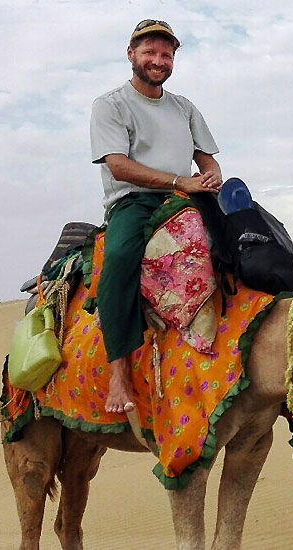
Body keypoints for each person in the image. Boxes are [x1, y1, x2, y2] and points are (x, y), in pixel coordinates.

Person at [90, 20, 222, 414]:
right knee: (118, 261)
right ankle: (119, 373)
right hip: (135, 201)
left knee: (245, 238)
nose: (158, 60)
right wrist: (182, 180)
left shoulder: (184, 107)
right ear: (132, 55)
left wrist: (212, 177)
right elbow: (118, 166)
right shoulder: (110, 105)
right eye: (150, 52)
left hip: (186, 197)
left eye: (166, 54)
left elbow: (207, 157)